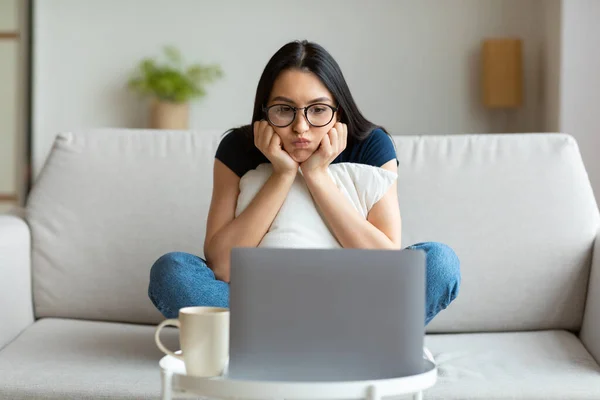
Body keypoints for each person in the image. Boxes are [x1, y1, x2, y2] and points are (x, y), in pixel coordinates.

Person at [148, 40, 460, 325]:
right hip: (260, 304)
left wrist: (316, 175)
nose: (301, 127)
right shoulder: (237, 148)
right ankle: (333, 341)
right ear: (265, 111)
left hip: (353, 304)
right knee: (172, 272)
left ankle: (281, 340)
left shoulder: (372, 145)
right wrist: (283, 174)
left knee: (439, 263)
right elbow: (222, 267)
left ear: (338, 112)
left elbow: (388, 267)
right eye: (284, 110)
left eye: (318, 110)